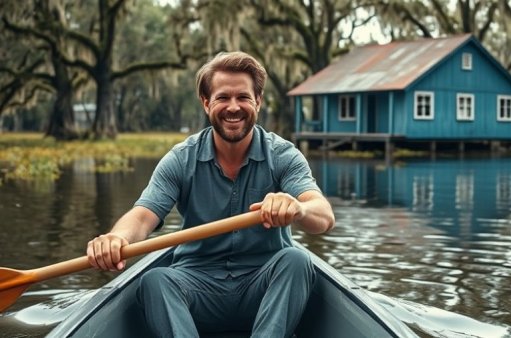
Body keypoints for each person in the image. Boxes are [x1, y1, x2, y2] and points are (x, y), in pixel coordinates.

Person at [86, 51, 335, 337]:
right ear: (206, 103)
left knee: (296, 261)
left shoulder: (282, 155)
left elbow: (323, 216)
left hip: (263, 292)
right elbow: (142, 216)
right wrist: (117, 238)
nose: (233, 107)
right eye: (222, 98)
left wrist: (299, 208)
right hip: (196, 291)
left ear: (259, 101)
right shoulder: (181, 159)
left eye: (243, 97)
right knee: (155, 280)